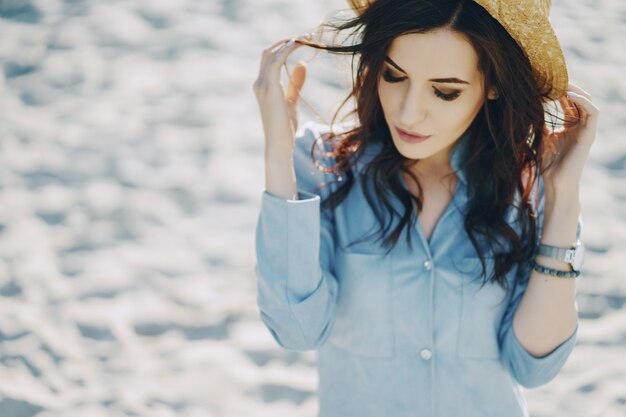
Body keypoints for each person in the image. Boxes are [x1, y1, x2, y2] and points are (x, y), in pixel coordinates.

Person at [252, 0, 599, 416]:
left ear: (492, 85)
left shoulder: (531, 187)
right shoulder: (323, 164)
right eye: (394, 75)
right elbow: (297, 330)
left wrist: (562, 198)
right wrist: (277, 151)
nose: (408, 111)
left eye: (445, 90)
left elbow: (533, 366)